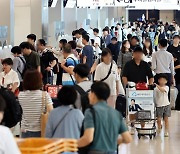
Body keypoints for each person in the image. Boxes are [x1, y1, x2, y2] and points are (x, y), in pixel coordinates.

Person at [78, 82, 132, 154]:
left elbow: (88, 138)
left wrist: (70, 144)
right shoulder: (116, 113)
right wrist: (112, 142)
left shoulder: (91, 112)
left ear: (93, 94)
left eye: (90, 93)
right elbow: (128, 139)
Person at [19, 70, 53, 138]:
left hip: (25, 130)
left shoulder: (21, 95)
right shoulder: (44, 95)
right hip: (41, 129)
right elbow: (52, 112)